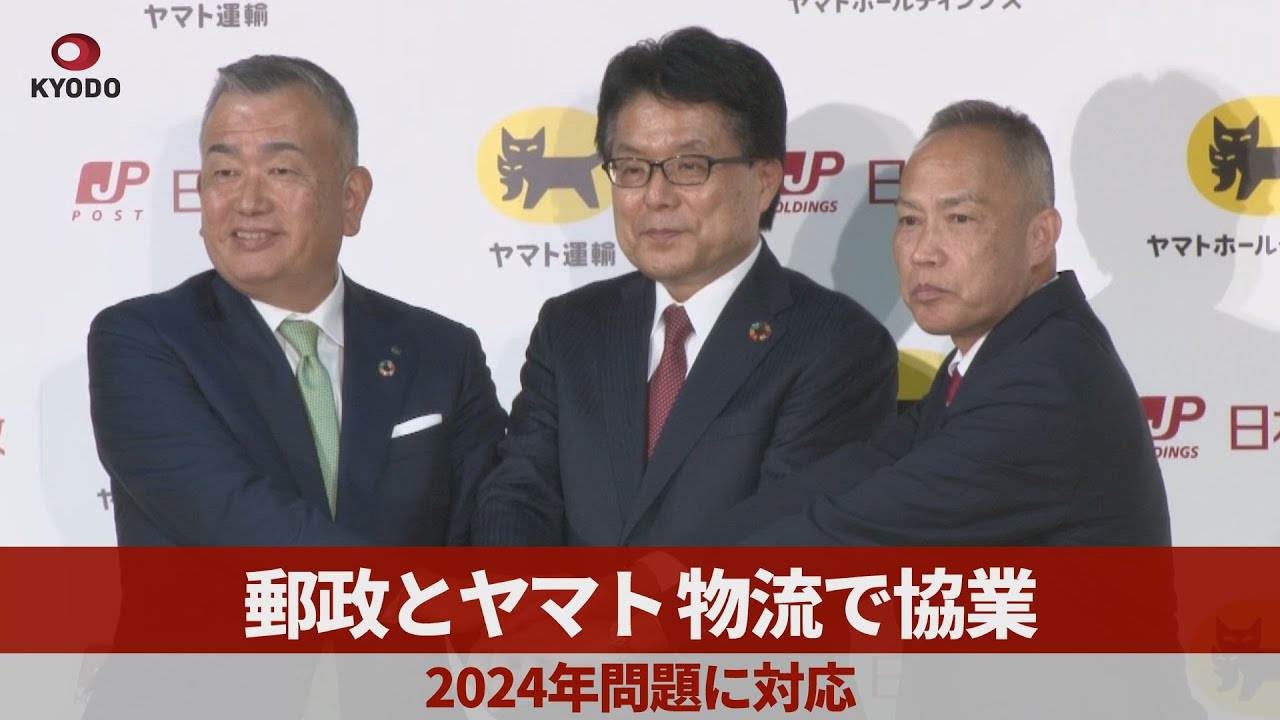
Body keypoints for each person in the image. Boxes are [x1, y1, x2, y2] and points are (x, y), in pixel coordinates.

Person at [471, 27, 897, 546]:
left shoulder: (837, 345)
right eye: (631, 168)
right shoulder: (571, 328)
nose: (656, 196)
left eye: (689, 166)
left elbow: (785, 541)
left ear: (764, 181)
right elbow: (518, 497)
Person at [702, 99, 1171, 547]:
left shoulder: (1044, 382)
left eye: (960, 219)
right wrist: (681, 556)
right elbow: (854, 471)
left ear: (1039, 237)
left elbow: (854, 533)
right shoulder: (998, 356)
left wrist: (683, 583)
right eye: (910, 220)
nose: (923, 252)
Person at [88, 54, 506, 546]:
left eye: (281, 170)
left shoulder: (441, 351)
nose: (248, 202)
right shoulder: (142, 342)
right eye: (225, 172)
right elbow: (239, 525)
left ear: (351, 198)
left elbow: (493, 530)